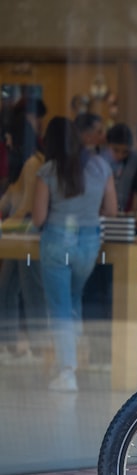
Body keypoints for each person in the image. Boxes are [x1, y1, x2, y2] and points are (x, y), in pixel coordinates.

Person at [32, 117, 118, 391]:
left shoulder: (48, 171)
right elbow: (112, 211)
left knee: (59, 309)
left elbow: (39, 217)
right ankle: (78, 358)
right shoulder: (101, 167)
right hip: (89, 243)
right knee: (74, 298)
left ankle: (68, 370)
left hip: (57, 241)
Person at [0, 99, 48, 364]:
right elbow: (10, 197)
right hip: (19, 238)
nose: (7, 144)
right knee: (9, 290)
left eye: (9, 138)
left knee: (29, 294)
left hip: (27, 238)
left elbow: (26, 207)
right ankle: (12, 348)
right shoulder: (27, 163)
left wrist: (5, 225)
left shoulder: (31, 164)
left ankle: (36, 349)